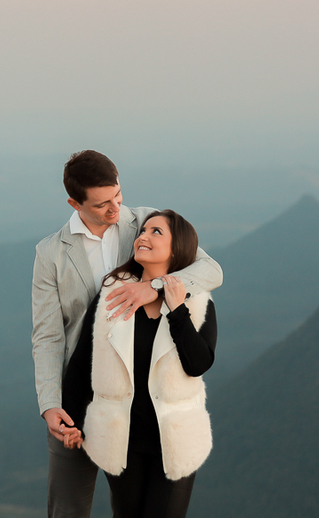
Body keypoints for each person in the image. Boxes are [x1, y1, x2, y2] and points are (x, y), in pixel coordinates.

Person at [31, 151, 222, 518]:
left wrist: (155, 287)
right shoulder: (51, 253)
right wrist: (51, 403)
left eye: (118, 195)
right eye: (102, 204)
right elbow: (48, 336)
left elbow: (210, 270)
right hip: (77, 391)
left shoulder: (143, 224)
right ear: (75, 203)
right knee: (68, 508)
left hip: (144, 410)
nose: (116, 207)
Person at [59, 210, 217, 518]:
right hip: (120, 440)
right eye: (143, 230)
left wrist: (176, 309)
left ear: (178, 247)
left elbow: (198, 363)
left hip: (175, 440)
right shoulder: (112, 295)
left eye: (156, 232)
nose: (143, 236)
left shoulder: (198, 303)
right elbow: (82, 363)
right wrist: (72, 422)